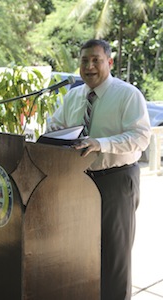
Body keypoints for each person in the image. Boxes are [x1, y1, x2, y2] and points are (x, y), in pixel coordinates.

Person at [46, 39, 151, 300]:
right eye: (84, 61)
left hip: (115, 180)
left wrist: (100, 143)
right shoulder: (73, 96)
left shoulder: (127, 94)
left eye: (96, 60)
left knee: (114, 256)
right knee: (79, 251)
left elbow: (140, 137)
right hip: (76, 181)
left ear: (109, 62)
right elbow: (54, 127)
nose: (89, 66)